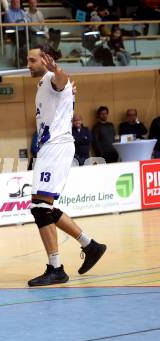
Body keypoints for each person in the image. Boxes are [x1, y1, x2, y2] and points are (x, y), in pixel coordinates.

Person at [26, 44, 106, 286]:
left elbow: (61, 80)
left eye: (32, 60)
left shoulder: (52, 77)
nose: (28, 64)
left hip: (57, 147)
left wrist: (57, 69)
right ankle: (90, 245)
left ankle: (56, 268)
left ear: (46, 60)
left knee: (40, 208)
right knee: (44, 207)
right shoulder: (44, 82)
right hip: (49, 148)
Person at [5, 0, 28, 67]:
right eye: (14, 2)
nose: (16, 4)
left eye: (17, 2)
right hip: (11, 31)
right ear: (11, 3)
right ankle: (20, 61)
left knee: (29, 38)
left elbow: (26, 22)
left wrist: (18, 23)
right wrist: (20, 23)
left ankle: (23, 60)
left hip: (22, 30)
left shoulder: (22, 12)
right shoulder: (8, 12)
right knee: (21, 41)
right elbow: (12, 24)